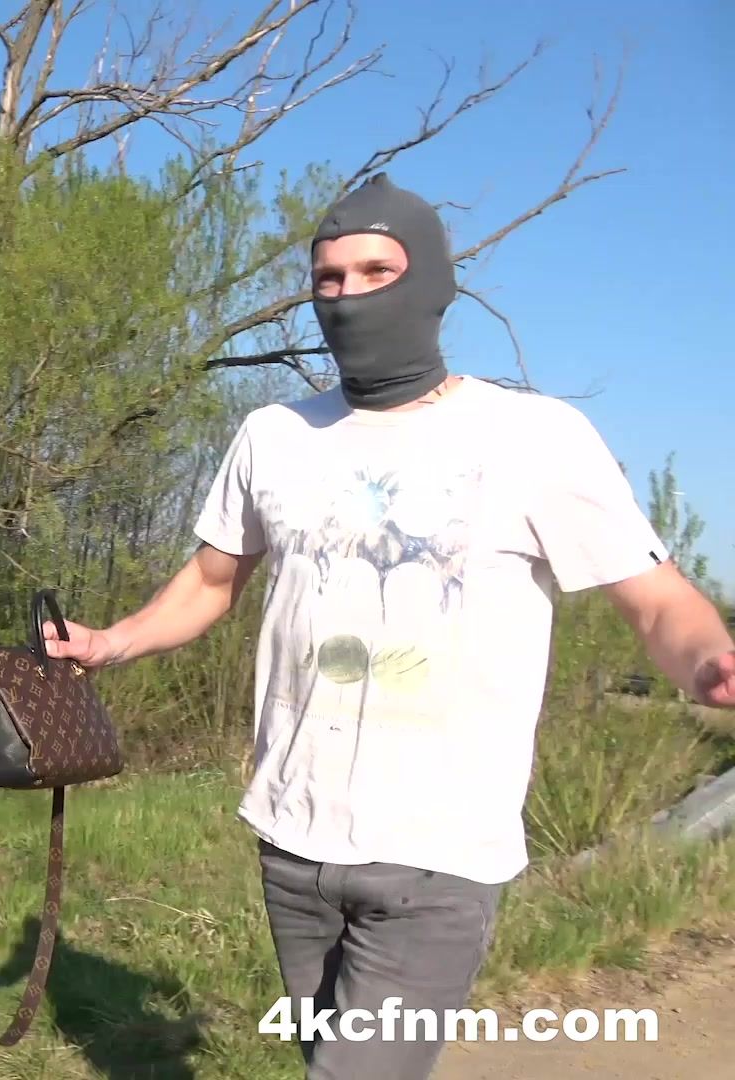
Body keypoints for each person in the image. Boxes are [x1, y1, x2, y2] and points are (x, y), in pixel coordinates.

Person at [41, 172, 735, 1080]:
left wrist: (710, 662)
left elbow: (656, 600)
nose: (348, 296)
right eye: (328, 278)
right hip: (292, 837)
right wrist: (111, 642)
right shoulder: (274, 435)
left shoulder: (534, 436)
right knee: (326, 1056)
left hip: (438, 854)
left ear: (434, 283)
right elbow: (212, 579)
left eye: (376, 271)